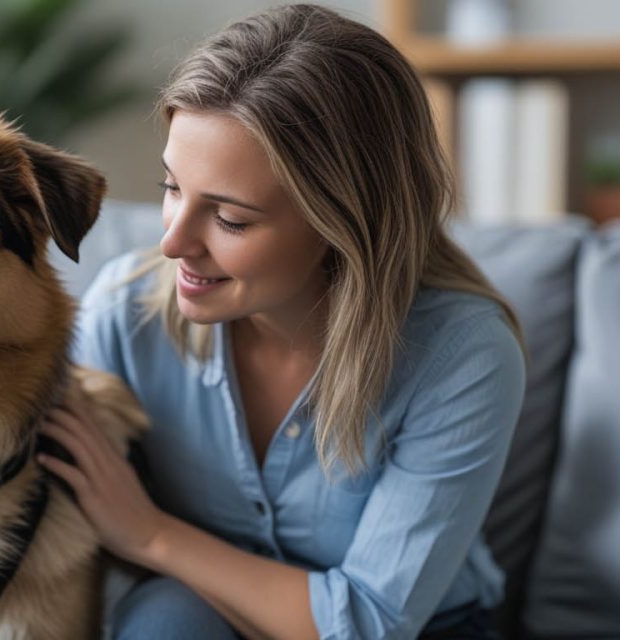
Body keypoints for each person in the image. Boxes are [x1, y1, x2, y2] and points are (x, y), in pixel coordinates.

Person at [35, 4, 527, 639]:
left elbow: (369, 623)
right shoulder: (125, 313)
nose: (173, 243)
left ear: (342, 222)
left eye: (231, 219)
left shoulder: (463, 353)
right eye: (172, 187)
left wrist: (153, 534)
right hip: (203, 611)